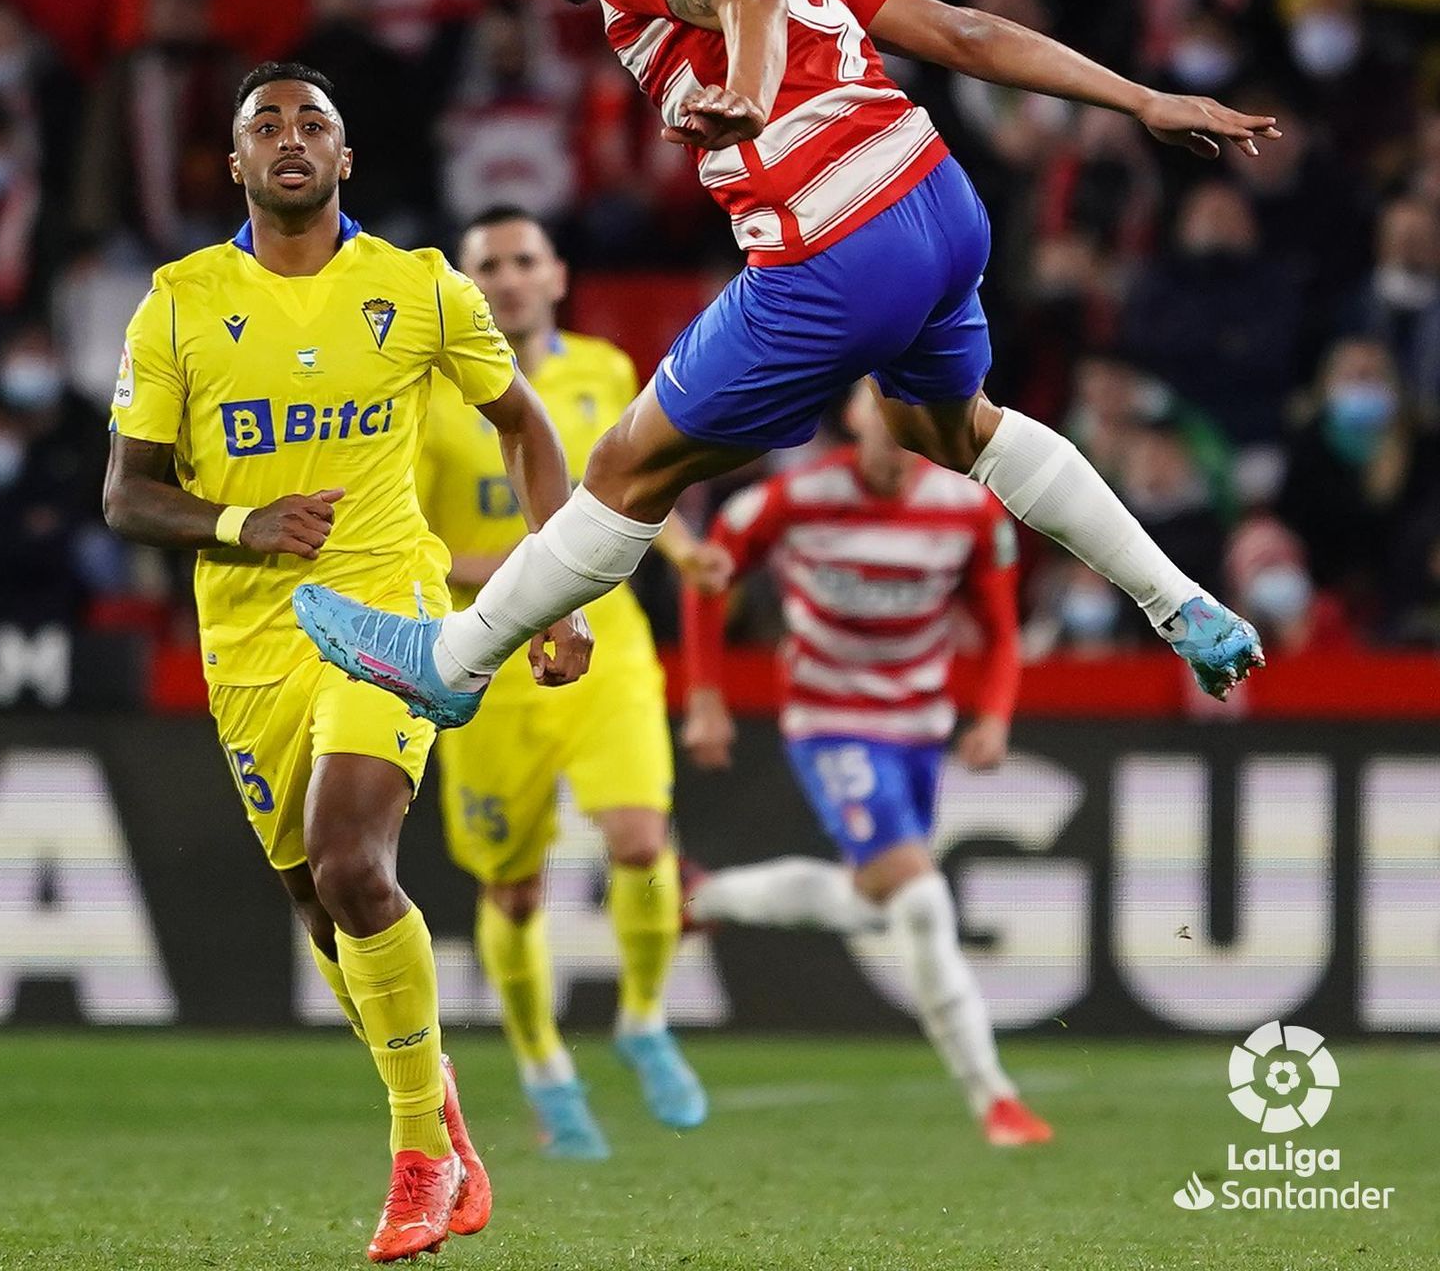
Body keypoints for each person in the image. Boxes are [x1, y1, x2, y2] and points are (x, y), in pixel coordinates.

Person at [294, 0, 1270, 731]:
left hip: (835, 239)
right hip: (936, 199)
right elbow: (960, 30)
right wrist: (1142, 99)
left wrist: (751, 96)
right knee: (952, 430)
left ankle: (451, 662)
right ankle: (1180, 603)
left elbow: (746, 1)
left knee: (628, 466)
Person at [102, 62, 592, 1260]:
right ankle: (441, 1114)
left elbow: (525, 425)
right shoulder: (177, 303)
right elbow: (127, 494)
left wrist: (557, 591)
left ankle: (418, 1156)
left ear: (344, 158)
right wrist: (241, 523)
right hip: (249, 634)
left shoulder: (419, 287)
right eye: (264, 124)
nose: (289, 136)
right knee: (321, 907)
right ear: (233, 162)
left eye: (311, 122)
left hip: (386, 606)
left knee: (352, 862)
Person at [418, 204, 726, 1157]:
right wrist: (528, 574)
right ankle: (546, 1067)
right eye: (489, 265)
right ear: (465, 288)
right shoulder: (428, 395)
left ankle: (643, 1019)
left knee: (641, 840)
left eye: (524, 260)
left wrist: (682, 549)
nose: (508, 279)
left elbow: (636, 489)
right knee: (512, 892)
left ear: (556, 276)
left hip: (606, 640)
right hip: (488, 661)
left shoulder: (603, 370)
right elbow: (411, 544)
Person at [678, 384, 1050, 1147]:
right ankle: (994, 1098)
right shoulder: (796, 498)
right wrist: (707, 697)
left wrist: (993, 714)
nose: (896, 432)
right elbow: (709, 575)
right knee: (919, 897)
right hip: (831, 723)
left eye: (911, 416)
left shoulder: (970, 509)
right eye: (881, 411)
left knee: (876, 898)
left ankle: (704, 896)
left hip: (919, 729)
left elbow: (1001, 628)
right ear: (853, 417)